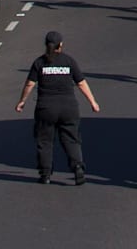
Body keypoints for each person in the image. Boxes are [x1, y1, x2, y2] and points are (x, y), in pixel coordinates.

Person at [15, 30, 101, 185]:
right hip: (68, 107)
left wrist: (22, 101)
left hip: (46, 108)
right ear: (60, 45)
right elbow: (81, 82)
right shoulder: (69, 61)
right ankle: (77, 168)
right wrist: (93, 102)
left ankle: (45, 173)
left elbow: (30, 84)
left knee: (45, 141)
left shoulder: (39, 62)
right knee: (71, 139)